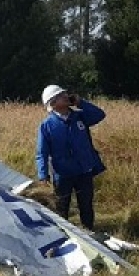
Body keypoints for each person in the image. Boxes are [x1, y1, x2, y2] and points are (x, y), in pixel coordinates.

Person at [35, 84, 106, 230]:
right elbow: (42, 153)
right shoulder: (47, 125)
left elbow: (99, 115)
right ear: (53, 103)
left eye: (65, 94)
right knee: (62, 207)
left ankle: (89, 232)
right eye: (61, 96)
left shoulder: (79, 116)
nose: (66, 96)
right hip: (62, 174)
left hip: (84, 170)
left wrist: (80, 103)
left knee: (86, 204)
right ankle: (64, 234)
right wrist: (43, 176)